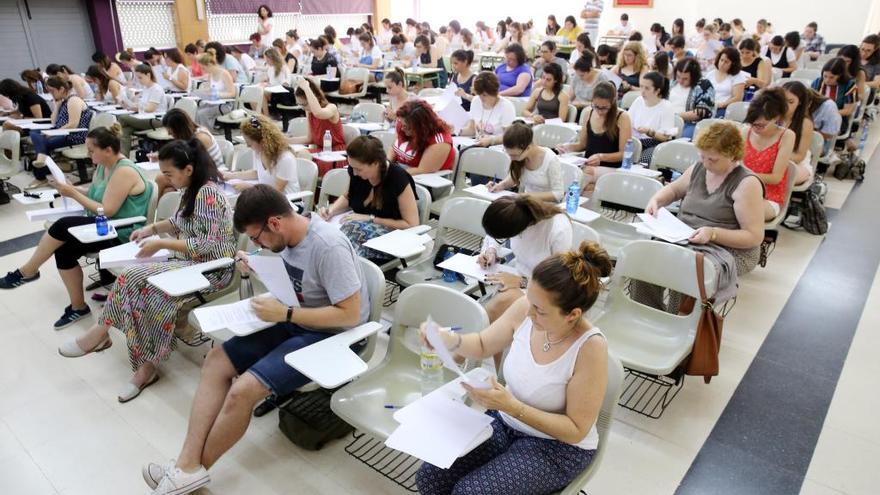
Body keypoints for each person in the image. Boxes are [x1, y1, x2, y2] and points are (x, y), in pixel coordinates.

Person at [142, 184, 369, 494]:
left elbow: (350, 314)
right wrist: (258, 266)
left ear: (274, 222)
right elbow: (296, 286)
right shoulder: (286, 238)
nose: (258, 242)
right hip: (297, 318)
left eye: (258, 237)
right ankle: (186, 466)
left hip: (333, 334)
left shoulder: (327, 246)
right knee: (216, 361)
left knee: (243, 391)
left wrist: (286, 313)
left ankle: (187, 472)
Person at [416, 239, 609, 495]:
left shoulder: (590, 349)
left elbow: (575, 430)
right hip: (506, 420)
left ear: (572, 315)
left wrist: (510, 406)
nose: (528, 314)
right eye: (530, 301)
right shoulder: (527, 308)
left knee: (470, 493)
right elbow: (484, 344)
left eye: (539, 310)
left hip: (557, 446)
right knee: (430, 477)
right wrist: (448, 339)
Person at [57, 138, 233, 406]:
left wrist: (162, 242)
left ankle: (146, 368)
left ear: (188, 169)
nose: (165, 179)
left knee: (153, 295)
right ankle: (103, 333)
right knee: (131, 276)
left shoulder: (207, 194)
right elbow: (179, 221)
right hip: (190, 262)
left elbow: (211, 246)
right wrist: (152, 229)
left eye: (168, 173)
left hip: (211, 270)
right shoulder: (192, 189)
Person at [1, 125, 152, 329]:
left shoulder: (124, 171)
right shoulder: (104, 165)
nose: (88, 154)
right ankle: (78, 307)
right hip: (103, 226)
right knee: (63, 250)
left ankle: (28, 271)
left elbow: (105, 209)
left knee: (63, 225)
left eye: (92, 150)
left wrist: (73, 194)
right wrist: (74, 188)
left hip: (122, 232)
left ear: (108, 150)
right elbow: (96, 192)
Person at [637, 121, 764, 308]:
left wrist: (713, 233)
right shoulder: (699, 168)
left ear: (732, 155)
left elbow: (754, 237)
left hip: (727, 247)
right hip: (688, 236)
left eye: (712, 159)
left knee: (686, 269)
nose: (705, 163)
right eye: (702, 157)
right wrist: (656, 201)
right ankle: (647, 311)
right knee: (646, 257)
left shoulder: (747, 183)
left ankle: (678, 320)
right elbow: (673, 190)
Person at [318, 135, 419, 262]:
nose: (354, 173)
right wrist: (331, 210)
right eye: (352, 168)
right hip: (358, 228)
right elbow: (348, 196)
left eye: (358, 169)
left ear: (376, 163)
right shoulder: (357, 173)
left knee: (348, 237)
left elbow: (411, 224)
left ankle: (342, 271)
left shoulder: (398, 178)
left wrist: (371, 219)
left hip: (394, 236)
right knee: (318, 227)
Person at [558, 81, 632, 190]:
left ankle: (564, 202)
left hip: (612, 167)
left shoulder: (622, 117)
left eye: (604, 108)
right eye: (596, 106)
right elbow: (582, 144)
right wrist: (567, 147)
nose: (600, 111)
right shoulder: (588, 113)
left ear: (612, 103)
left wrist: (601, 157)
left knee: (583, 174)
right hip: (589, 164)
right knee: (563, 167)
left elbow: (624, 154)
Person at [25, 77, 93, 189]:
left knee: (43, 142)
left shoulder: (73, 100)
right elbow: (53, 121)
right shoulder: (64, 101)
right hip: (63, 132)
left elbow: (73, 124)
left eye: (52, 91)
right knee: (34, 133)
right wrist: (56, 106)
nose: (51, 94)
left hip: (75, 135)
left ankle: (41, 173)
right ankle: (42, 165)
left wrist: (54, 133)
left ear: (61, 89)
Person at [741, 88, 795, 221]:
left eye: (761, 125)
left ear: (775, 118)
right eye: (753, 124)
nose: (755, 128)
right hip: (742, 190)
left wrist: (744, 177)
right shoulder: (745, 132)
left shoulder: (786, 136)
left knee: (742, 211)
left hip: (769, 195)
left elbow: (776, 178)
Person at [153, 108, 225, 197]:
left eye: (172, 132)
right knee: (168, 191)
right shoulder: (192, 136)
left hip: (211, 175)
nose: (170, 135)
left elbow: (189, 164)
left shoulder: (200, 138)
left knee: (161, 178)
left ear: (179, 129)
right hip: (196, 172)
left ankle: (149, 209)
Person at [224, 114, 300, 196]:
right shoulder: (258, 151)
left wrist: (250, 187)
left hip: (287, 201)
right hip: (266, 196)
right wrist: (231, 176)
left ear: (263, 141)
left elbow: (278, 190)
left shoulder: (285, 158)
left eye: (250, 143)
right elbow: (257, 173)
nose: (248, 146)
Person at [488, 123, 565, 203]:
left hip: (547, 207)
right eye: (509, 154)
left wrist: (527, 196)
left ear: (528, 148)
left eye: (514, 155)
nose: (511, 158)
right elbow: (514, 177)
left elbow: (558, 194)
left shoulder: (550, 159)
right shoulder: (520, 157)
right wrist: (500, 185)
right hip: (526, 203)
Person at [286, 78, 345, 176]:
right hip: (321, 151)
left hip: (334, 153)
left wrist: (306, 88)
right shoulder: (309, 111)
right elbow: (310, 139)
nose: (303, 108)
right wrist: (285, 140)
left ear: (315, 97)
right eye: (300, 105)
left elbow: (318, 113)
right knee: (291, 155)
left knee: (304, 161)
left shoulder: (331, 108)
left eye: (304, 104)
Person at [390, 99, 455, 175]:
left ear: (422, 127)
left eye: (407, 127)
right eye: (402, 124)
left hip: (422, 180)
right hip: (401, 173)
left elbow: (422, 170)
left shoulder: (439, 142)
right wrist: (386, 166)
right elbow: (393, 149)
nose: (402, 128)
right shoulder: (403, 123)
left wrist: (392, 175)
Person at [117, 64, 169, 156]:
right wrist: (128, 106)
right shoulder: (145, 88)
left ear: (148, 75)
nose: (139, 81)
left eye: (140, 78)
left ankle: (116, 151)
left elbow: (150, 109)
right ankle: (123, 158)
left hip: (156, 120)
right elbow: (142, 107)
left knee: (122, 118)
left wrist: (136, 106)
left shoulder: (156, 89)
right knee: (125, 129)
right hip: (145, 118)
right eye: (137, 78)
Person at [629, 71, 676, 164]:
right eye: (641, 86)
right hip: (635, 140)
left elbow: (665, 137)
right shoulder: (638, 101)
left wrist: (649, 131)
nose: (642, 91)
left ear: (657, 90)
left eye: (647, 88)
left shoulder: (666, 107)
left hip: (655, 144)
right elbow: (628, 121)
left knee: (642, 161)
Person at [459, 72, 516, 147]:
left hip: (497, 148)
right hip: (477, 145)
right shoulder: (476, 101)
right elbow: (471, 130)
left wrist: (491, 140)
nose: (481, 98)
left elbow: (509, 137)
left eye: (485, 95)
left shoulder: (506, 106)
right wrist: (457, 131)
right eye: (479, 94)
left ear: (494, 92)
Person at [780, 81, 817, 185]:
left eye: (790, 102)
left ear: (800, 103)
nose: (785, 106)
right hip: (773, 159)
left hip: (797, 164)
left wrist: (776, 156)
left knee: (781, 175)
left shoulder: (805, 123)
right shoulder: (773, 116)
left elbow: (799, 156)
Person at [669, 57, 715, 139]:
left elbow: (701, 112)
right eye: (678, 76)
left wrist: (675, 116)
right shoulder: (673, 83)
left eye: (685, 79)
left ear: (694, 77)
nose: (680, 81)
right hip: (669, 120)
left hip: (691, 123)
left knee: (682, 139)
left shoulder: (704, 84)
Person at [195, 53, 236, 130]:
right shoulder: (211, 75)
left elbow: (232, 93)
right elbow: (211, 90)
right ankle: (201, 132)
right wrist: (204, 93)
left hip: (225, 105)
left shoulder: (224, 74)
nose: (203, 71)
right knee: (195, 110)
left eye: (203, 68)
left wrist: (217, 95)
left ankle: (208, 134)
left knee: (202, 113)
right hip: (213, 103)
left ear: (209, 64)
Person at [812, 57, 857, 127]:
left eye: (831, 77)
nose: (827, 80)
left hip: (837, 118)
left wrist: (827, 114)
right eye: (825, 76)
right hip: (817, 116)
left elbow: (848, 110)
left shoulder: (850, 86)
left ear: (840, 76)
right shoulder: (818, 82)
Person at [707, 47, 747, 117]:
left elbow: (737, 98)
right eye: (721, 60)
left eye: (726, 62)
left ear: (733, 64)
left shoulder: (738, 76)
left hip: (725, 109)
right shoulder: (710, 74)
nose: (722, 64)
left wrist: (721, 105)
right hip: (708, 106)